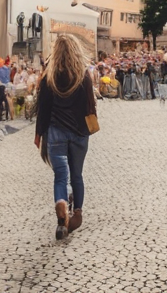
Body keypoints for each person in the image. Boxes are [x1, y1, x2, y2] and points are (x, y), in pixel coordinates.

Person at [35, 32, 96, 240]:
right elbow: (90, 105)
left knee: (61, 175)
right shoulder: (83, 75)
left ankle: (61, 202)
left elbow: (42, 107)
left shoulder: (49, 76)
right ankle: (77, 211)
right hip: (79, 132)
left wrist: (38, 133)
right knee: (77, 174)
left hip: (56, 132)